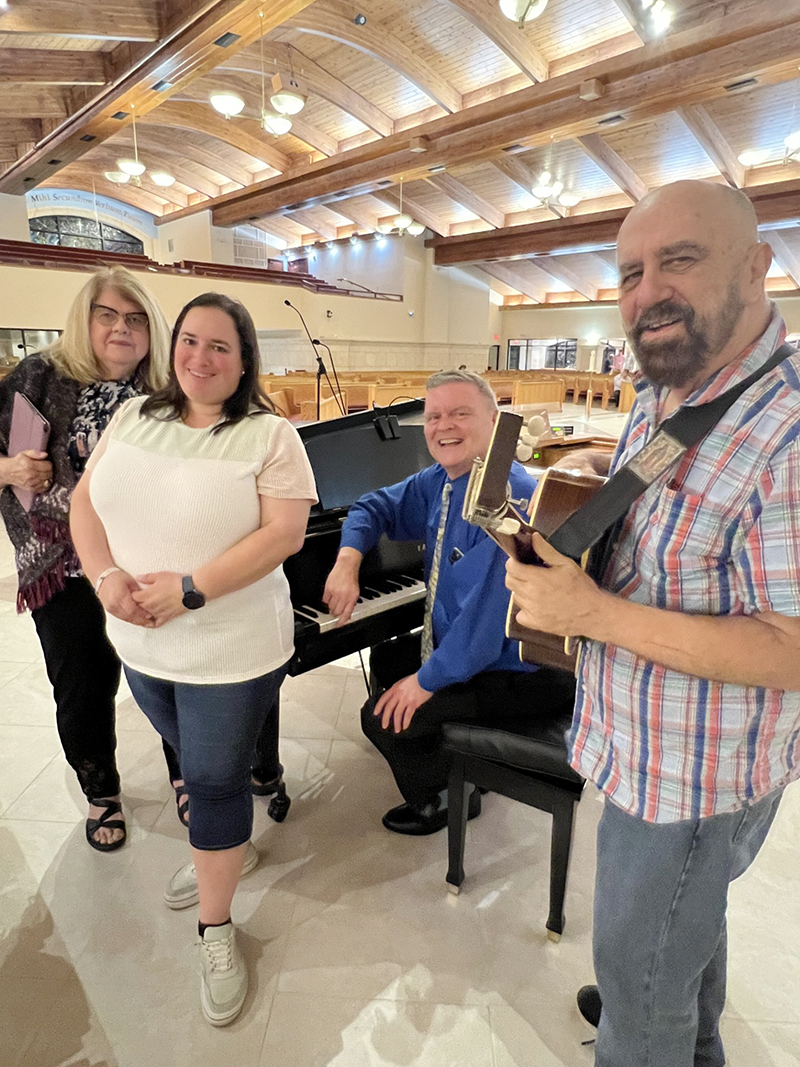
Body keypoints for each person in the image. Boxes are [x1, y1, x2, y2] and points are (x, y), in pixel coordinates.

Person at [505, 180, 800, 1067]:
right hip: (637, 744)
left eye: (680, 259)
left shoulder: (786, 436)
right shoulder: (674, 385)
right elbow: (673, 487)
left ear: (757, 266)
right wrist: (607, 463)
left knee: (639, 998)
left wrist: (590, 611)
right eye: (632, 272)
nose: (647, 292)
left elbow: (794, 647)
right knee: (680, 943)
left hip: (692, 778)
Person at [70, 292, 316, 1026]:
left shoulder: (269, 434)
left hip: (230, 645)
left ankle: (216, 926)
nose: (199, 357)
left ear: (243, 363)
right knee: (193, 754)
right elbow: (85, 501)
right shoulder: (134, 414)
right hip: (141, 640)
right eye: (189, 341)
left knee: (209, 778)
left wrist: (191, 589)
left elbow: (284, 536)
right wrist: (106, 577)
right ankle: (224, 847)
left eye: (219, 347)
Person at [323, 370, 576, 835]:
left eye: (461, 413)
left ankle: (445, 797)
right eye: (434, 415)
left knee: (379, 717)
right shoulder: (442, 480)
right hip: (481, 650)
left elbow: (482, 633)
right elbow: (372, 504)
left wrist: (424, 683)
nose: (444, 426)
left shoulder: (508, 500)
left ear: (495, 421)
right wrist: (347, 559)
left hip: (526, 670)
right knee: (388, 656)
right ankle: (453, 758)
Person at [0, 267, 170, 852]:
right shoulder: (39, 375)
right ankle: (102, 792)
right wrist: (9, 469)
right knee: (83, 682)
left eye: (136, 318)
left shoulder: (166, 385)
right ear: (86, 319)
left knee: (167, 671)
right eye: (109, 315)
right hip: (60, 562)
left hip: (149, 554)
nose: (122, 328)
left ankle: (185, 775)